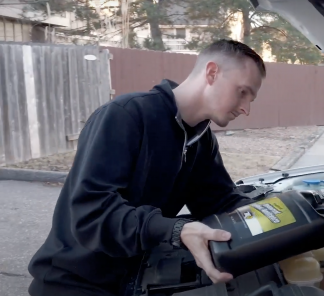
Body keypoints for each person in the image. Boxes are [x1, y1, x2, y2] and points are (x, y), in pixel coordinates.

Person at [27, 39, 266, 296]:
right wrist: (176, 229)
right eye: (242, 92)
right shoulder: (126, 115)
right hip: (73, 281)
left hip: (133, 277)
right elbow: (90, 213)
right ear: (211, 73)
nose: (246, 109)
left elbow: (217, 200)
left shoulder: (201, 139)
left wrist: (278, 209)